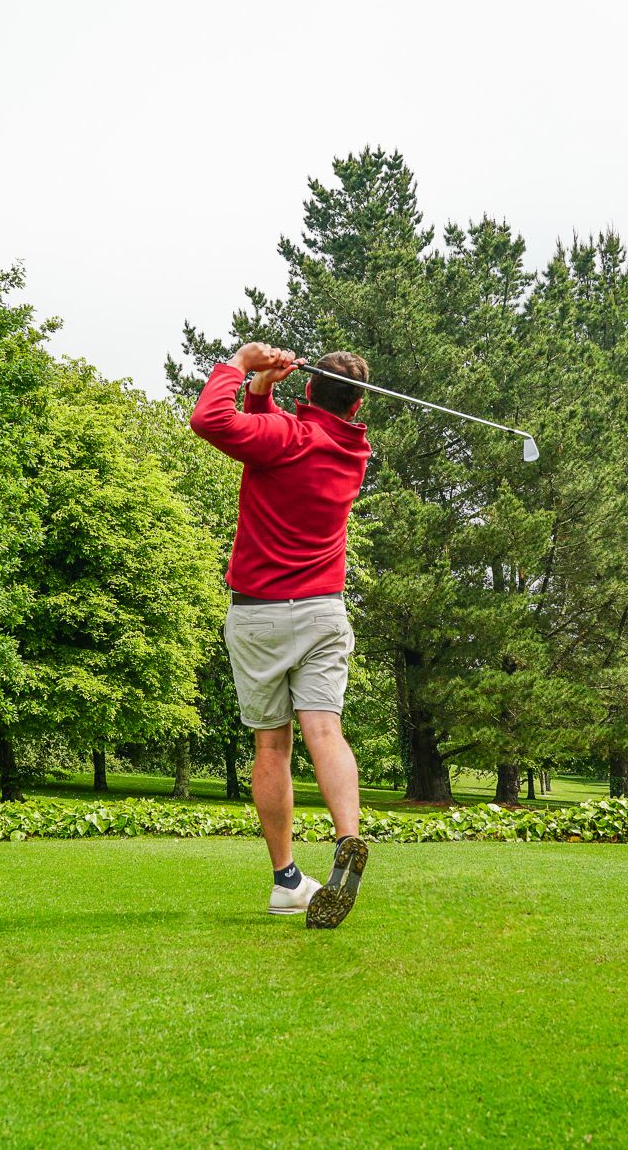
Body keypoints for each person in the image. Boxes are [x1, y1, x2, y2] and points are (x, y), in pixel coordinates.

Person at [189, 341, 372, 928]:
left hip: (259, 615)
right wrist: (264, 391)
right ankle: (347, 836)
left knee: (272, 745)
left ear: (310, 390)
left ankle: (286, 877)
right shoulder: (352, 451)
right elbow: (271, 438)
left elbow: (209, 420)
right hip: (321, 611)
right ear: (358, 403)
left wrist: (240, 368)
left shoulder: (289, 439)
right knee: (325, 727)